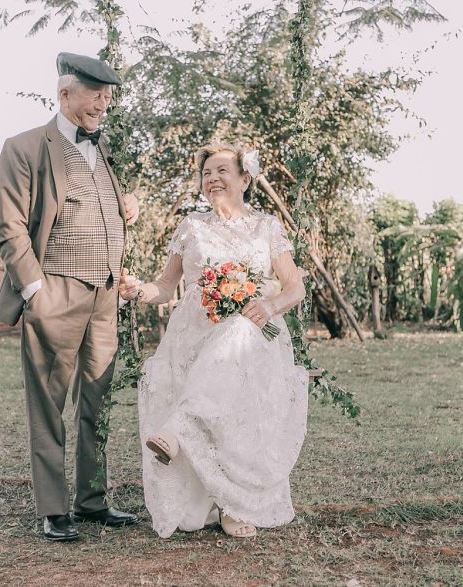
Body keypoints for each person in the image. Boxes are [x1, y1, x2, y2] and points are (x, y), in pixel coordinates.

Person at [119, 144, 309, 539]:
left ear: (245, 179)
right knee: (215, 392)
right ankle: (210, 493)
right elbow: (165, 287)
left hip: (251, 338)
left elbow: (295, 288)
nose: (212, 179)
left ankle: (224, 491)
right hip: (193, 336)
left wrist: (270, 306)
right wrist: (138, 289)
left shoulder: (267, 227)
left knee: (237, 346)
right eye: (206, 172)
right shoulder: (192, 226)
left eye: (222, 170)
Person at [0, 52, 140, 542]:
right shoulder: (25, 147)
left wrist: (124, 212)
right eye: (95, 94)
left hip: (105, 295)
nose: (104, 103)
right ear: (65, 93)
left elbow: (95, 212)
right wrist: (35, 289)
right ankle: (55, 509)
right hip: (55, 290)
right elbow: (10, 225)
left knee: (98, 401)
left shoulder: (103, 151)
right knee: (49, 403)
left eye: (108, 96)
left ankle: (93, 500)